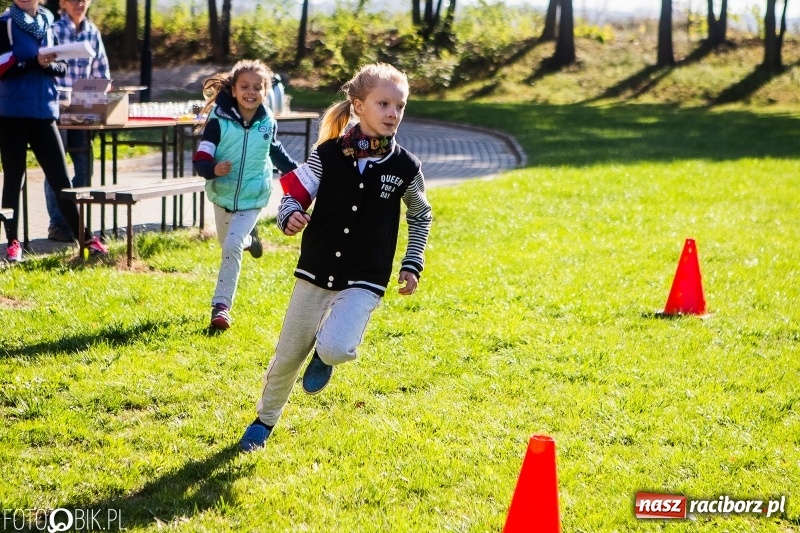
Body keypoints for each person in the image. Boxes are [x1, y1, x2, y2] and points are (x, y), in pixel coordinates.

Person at [238, 62, 433, 452]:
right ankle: (264, 421)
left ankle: (325, 355)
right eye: (383, 104)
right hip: (316, 269)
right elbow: (294, 194)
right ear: (358, 106)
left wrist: (412, 262)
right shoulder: (326, 154)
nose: (393, 113)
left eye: (400, 106)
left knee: (336, 347)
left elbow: (420, 214)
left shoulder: (406, 167)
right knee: (287, 358)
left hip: (366, 277)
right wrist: (289, 215)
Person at [192, 60, 299, 330]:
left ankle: (221, 307)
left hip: (254, 196)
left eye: (257, 87)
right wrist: (213, 169)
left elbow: (277, 153)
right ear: (234, 90)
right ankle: (250, 239)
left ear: (266, 91)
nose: (251, 92)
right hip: (222, 193)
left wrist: (302, 175)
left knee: (231, 246)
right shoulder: (218, 121)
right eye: (244, 86)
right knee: (227, 243)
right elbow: (201, 157)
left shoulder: (267, 122)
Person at [0, 0, 107, 262]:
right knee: (13, 179)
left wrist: (48, 65)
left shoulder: (47, 22)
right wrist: (36, 63)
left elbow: (61, 67)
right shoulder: (5, 23)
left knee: (62, 180)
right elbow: (2, 67)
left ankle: (86, 240)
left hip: (45, 113)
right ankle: (13, 244)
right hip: (12, 113)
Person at [44, 0, 110, 242]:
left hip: (83, 111)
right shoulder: (53, 30)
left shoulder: (93, 32)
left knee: (84, 165)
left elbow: (102, 73)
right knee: (56, 168)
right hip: (57, 109)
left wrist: (100, 92)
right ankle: (57, 224)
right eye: (73, 0)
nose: (79, 4)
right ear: (62, 3)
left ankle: (75, 219)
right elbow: (46, 67)